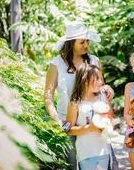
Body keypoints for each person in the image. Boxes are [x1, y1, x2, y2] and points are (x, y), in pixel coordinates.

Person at [44, 21, 115, 170]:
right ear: (71, 43)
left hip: (95, 122)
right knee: (73, 165)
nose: (86, 45)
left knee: (108, 164)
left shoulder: (94, 60)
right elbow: (48, 96)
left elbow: (100, 85)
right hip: (69, 124)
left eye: (87, 41)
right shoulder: (56, 64)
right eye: (82, 42)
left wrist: (108, 88)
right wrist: (57, 120)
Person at [66, 64, 114, 170]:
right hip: (86, 153)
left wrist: (105, 122)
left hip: (103, 151)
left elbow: (111, 118)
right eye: (97, 78)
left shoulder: (103, 96)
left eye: (101, 78)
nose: (101, 82)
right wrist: (89, 128)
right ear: (85, 80)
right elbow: (69, 130)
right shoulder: (75, 102)